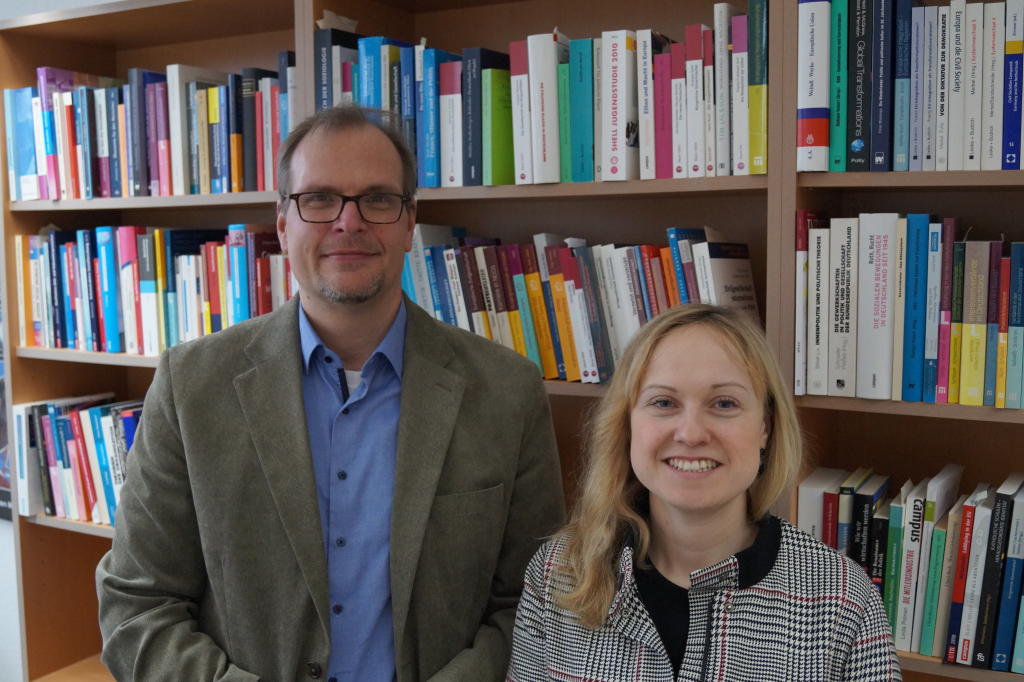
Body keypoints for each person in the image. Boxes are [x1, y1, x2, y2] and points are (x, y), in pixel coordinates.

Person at [96, 105, 565, 682]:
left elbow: (535, 606)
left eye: (378, 199)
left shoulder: (507, 391)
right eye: (318, 199)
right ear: (282, 223)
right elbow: (137, 606)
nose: (349, 222)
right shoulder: (190, 386)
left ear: (410, 222)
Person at [508, 304, 901, 681]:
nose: (691, 434)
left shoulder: (843, 600)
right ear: (627, 424)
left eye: (724, 403)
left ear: (765, 427)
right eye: (663, 402)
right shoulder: (558, 572)